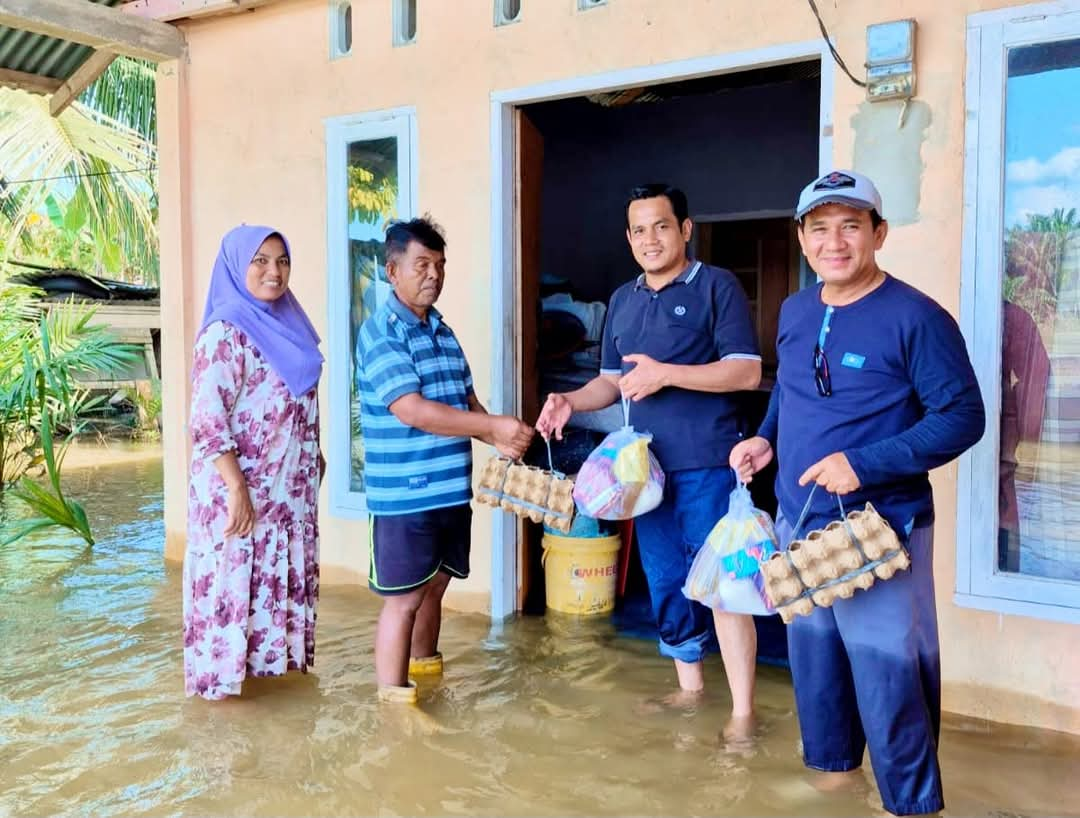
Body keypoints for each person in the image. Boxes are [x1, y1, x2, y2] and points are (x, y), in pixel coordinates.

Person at [730, 169, 985, 816]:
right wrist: (765, 439)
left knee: (887, 674)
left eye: (851, 225)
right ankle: (834, 787)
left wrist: (863, 464)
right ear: (802, 238)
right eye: (820, 228)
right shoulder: (795, 309)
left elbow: (963, 418)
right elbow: (790, 391)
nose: (834, 242)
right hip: (801, 520)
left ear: (879, 233)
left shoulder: (917, 318)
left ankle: (910, 804)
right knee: (816, 665)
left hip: (881, 529)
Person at [535, 184, 762, 731]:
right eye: (639, 229)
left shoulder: (716, 286)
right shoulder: (622, 299)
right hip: (644, 473)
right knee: (666, 580)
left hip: (709, 462)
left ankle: (743, 713)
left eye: (662, 226)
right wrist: (569, 399)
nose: (650, 239)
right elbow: (611, 383)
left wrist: (667, 373)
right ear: (629, 238)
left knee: (725, 584)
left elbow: (747, 371)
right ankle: (690, 691)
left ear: (685, 229)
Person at [355, 216, 534, 705]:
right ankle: (393, 705)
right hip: (402, 498)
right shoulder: (380, 333)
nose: (432, 274)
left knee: (435, 587)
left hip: (450, 490)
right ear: (393, 272)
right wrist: (491, 427)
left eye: (439, 265)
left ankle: (426, 680)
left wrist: (499, 433)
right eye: (421, 265)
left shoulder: (442, 329)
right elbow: (411, 410)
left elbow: (464, 398)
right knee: (404, 599)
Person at [184, 225, 325, 701]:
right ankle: (225, 726)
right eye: (260, 260)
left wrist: (314, 454)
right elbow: (206, 419)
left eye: (282, 261)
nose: (274, 271)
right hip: (241, 497)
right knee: (233, 591)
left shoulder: (290, 324)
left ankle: (271, 706)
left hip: (285, 498)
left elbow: (296, 399)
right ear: (237, 266)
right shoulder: (226, 331)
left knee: (273, 598)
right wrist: (237, 488)